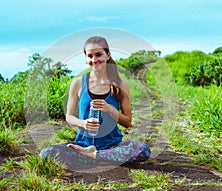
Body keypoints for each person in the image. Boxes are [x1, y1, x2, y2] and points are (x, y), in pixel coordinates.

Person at [40, 36, 151, 170]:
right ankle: (101, 157)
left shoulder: (121, 84)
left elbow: (127, 122)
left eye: (98, 55)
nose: (94, 60)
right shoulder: (78, 83)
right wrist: (83, 123)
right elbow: (69, 117)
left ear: (108, 55)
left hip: (112, 145)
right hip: (82, 144)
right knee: (46, 153)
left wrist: (110, 109)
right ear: (86, 58)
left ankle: (94, 156)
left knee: (143, 150)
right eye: (90, 56)